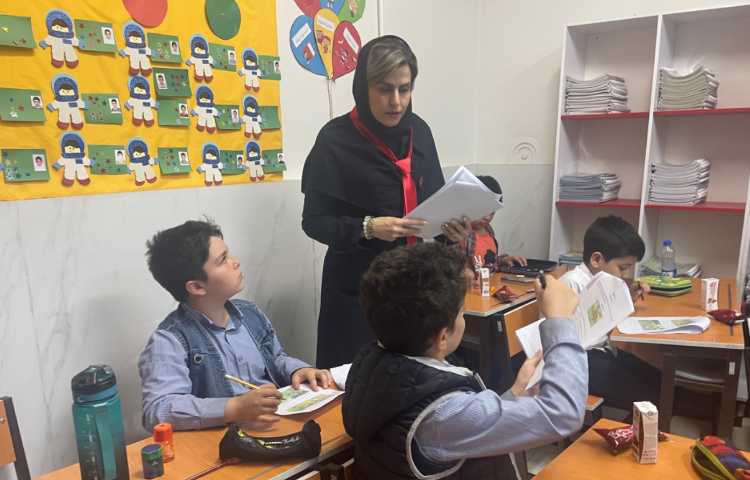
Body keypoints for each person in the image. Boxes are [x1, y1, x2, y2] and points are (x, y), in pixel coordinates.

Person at [343, 242, 587, 479]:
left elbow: (461, 425)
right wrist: (559, 320)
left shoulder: (372, 364)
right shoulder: (442, 414)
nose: (463, 318)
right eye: (462, 312)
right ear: (442, 337)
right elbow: (562, 414)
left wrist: (513, 395)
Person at [301, 35, 471, 368]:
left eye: (404, 89)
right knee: (357, 380)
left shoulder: (420, 133)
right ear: (363, 88)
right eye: (384, 89)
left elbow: (434, 206)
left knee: (414, 379)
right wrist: (367, 227)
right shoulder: (335, 140)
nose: (396, 101)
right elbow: (315, 222)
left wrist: (452, 231)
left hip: (416, 288)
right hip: (358, 293)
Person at [138, 220, 332, 431]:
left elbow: (275, 358)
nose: (236, 262)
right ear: (197, 287)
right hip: (223, 439)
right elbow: (158, 410)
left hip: (277, 424)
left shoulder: (249, 313)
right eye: (223, 260)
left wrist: (298, 370)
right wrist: (233, 408)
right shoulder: (170, 340)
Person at [559, 215, 660, 412]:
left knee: (659, 381)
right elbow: (563, 340)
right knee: (652, 397)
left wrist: (627, 300)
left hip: (602, 352)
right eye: (623, 268)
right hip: (578, 364)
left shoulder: (605, 283)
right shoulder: (570, 284)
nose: (626, 275)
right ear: (596, 259)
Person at [462, 175, 527, 272]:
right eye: (483, 210)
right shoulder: (461, 236)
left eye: (492, 212)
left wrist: (503, 260)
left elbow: (488, 262)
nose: (487, 217)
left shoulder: (488, 231)